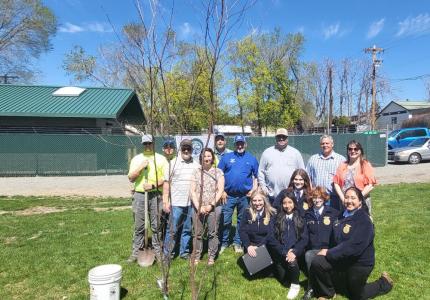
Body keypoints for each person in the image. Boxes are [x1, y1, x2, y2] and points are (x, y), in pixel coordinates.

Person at [309, 187, 393, 300]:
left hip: (359, 262)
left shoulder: (364, 220)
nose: (349, 201)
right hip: (342, 258)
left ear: (360, 201)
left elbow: (354, 247)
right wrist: (325, 248)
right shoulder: (341, 215)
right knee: (318, 262)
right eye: (347, 197)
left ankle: (384, 283)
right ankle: (328, 293)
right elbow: (332, 238)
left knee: (356, 295)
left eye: (353, 198)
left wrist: (329, 252)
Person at [127, 134, 168, 263]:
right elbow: (131, 178)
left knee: (156, 226)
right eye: (145, 144)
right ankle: (136, 252)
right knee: (139, 226)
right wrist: (140, 167)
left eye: (150, 143)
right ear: (142, 144)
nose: (147, 146)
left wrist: (153, 185)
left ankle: (157, 252)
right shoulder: (136, 159)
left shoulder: (161, 159)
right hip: (140, 195)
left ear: (154, 143)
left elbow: (166, 178)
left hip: (155, 195)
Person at [218, 134, 259, 253]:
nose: (240, 145)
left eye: (242, 143)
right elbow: (219, 174)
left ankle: (237, 242)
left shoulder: (251, 158)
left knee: (242, 221)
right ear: (234, 145)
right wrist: (222, 191)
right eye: (237, 143)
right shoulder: (226, 157)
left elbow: (256, 177)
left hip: (244, 196)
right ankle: (224, 242)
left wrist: (253, 190)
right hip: (228, 195)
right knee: (225, 220)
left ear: (245, 144)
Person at [162, 139, 200, 260]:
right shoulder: (172, 164)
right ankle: (168, 253)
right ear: (180, 149)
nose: (186, 150)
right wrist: (165, 201)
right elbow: (166, 184)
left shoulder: (196, 165)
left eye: (188, 148)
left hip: (191, 204)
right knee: (172, 230)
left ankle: (184, 253)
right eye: (184, 148)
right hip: (176, 203)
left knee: (187, 229)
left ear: (192, 150)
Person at [302, 186, 340, 300]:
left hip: (329, 249)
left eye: (320, 197)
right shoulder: (307, 214)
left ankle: (324, 287)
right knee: (308, 254)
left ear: (324, 198)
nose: (317, 200)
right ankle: (311, 287)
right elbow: (304, 236)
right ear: (311, 199)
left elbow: (337, 235)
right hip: (313, 249)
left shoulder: (333, 213)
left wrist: (327, 248)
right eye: (314, 197)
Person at [269, 191, 308, 300]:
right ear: (281, 204)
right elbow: (270, 238)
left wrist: (294, 251)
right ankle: (292, 272)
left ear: (294, 203)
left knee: (291, 261)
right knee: (284, 281)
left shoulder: (300, 217)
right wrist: (284, 251)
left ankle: (295, 285)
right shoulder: (276, 217)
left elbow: (305, 239)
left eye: (290, 202)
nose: (287, 205)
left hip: (295, 253)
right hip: (281, 252)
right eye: (284, 203)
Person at [190, 148, 224, 266]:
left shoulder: (218, 172)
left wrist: (211, 205)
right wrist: (199, 206)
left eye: (209, 156)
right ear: (201, 158)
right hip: (197, 208)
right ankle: (196, 256)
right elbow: (192, 191)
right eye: (204, 156)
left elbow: (220, 190)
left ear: (213, 158)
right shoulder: (196, 172)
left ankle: (211, 256)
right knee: (197, 233)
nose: (207, 158)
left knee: (212, 233)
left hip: (214, 208)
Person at [258, 128, 305, 203]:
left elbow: (303, 173)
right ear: (275, 138)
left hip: (291, 196)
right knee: (273, 214)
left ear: (287, 138)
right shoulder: (267, 153)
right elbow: (261, 172)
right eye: (279, 136)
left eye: (284, 137)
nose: (281, 139)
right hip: (271, 196)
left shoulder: (295, 153)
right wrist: (263, 187)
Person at [333, 140, 376, 213]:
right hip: (345, 203)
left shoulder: (365, 165)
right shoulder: (342, 165)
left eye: (356, 149)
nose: (353, 151)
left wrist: (358, 199)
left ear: (360, 151)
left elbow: (370, 185)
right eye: (350, 149)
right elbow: (336, 183)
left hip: (361, 202)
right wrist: (343, 199)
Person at [306, 135, 346, 210]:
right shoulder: (313, 159)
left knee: (334, 219)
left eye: (327, 143)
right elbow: (307, 177)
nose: (325, 145)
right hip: (317, 198)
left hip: (334, 198)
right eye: (322, 143)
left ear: (332, 144)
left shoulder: (341, 160)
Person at [239, 187, 277, 258]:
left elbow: (271, 234)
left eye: (260, 200)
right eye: (254, 200)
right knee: (253, 268)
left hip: (267, 244)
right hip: (251, 245)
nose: (257, 203)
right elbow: (242, 230)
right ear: (251, 201)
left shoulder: (272, 213)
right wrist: (248, 246)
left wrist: (259, 247)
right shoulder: (247, 212)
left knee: (267, 268)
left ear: (264, 201)